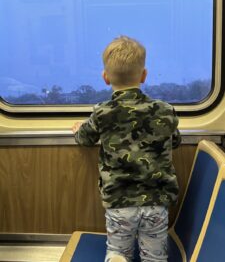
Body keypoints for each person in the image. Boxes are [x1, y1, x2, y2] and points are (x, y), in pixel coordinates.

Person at [72, 36, 180, 262]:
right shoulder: (164, 110)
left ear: (105, 77)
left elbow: (85, 138)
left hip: (119, 203)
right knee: (155, 257)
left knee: (118, 251)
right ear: (144, 75)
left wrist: (77, 128)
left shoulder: (102, 112)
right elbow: (175, 140)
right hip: (156, 202)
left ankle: (117, 258)